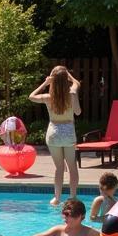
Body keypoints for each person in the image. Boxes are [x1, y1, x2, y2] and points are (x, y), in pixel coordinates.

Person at [29, 66, 82, 206]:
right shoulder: (72, 94)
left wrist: (45, 83)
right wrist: (69, 76)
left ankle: (56, 198)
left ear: (52, 80)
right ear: (66, 81)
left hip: (53, 134)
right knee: (72, 167)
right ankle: (73, 197)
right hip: (68, 134)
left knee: (59, 168)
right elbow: (78, 112)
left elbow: (31, 96)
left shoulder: (48, 97)